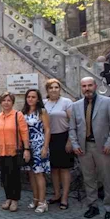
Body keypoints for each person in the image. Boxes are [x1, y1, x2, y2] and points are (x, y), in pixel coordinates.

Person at [69, 77, 110, 219]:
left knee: (107, 179)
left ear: (95, 86)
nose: (87, 88)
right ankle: (93, 206)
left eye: (89, 85)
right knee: (88, 178)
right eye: (84, 86)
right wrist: (75, 144)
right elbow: (72, 127)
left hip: (103, 148)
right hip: (84, 148)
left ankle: (109, 209)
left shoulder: (107, 102)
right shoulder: (76, 105)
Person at [0, 92, 30, 212]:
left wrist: (27, 149)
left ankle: (15, 199)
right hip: (0, 150)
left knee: (14, 176)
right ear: (1, 102)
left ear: (12, 102)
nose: (6, 102)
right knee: (4, 176)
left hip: (14, 151)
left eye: (9, 100)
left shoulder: (17, 115)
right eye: (4, 100)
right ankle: (8, 197)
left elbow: (24, 133)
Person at [43, 78, 74, 209]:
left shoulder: (66, 102)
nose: (54, 90)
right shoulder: (44, 103)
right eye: (51, 88)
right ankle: (56, 194)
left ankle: (65, 197)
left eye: (56, 87)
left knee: (64, 169)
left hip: (63, 137)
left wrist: (70, 141)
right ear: (47, 90)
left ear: (60, 89)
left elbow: (73, 122)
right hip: (50, 138)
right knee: (54, 169)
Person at [21, 89, 51, 212]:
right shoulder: (23, 112)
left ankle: (43, 202)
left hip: (39, 144)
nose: (30, 99)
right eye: (28, 97)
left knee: (39, 173)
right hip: (28, 145)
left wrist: (45, 147)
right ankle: (35, 198)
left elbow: (48, 129)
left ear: (38, 99)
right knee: (31, 173)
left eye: (33, 97)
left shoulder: (42, 112)